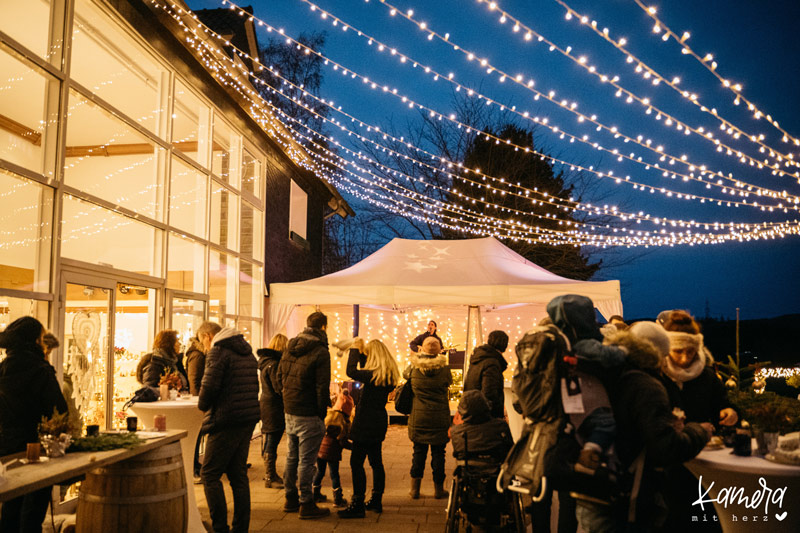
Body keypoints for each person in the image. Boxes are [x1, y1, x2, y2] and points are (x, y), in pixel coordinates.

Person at [0, 317, 69, 533]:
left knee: (11, 507)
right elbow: (59, 411)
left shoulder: (2, 369)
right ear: (35, 341)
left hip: (7, 446)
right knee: (33, 511)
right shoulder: (40, 370)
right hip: (36, 448)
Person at [197, 321, 260, 533]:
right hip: (246, 418)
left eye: (202, 343)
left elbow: (209, 386)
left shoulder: (218, 352)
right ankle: (240, 528)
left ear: (207, 336)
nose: (204, 348)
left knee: (210, 474)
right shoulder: (246, 352)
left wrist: (202, 405)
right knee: (238, 475)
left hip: (225, 419)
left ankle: (220, 528)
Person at [338, 338, 401, 518]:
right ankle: (376, 500)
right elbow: (367, 368)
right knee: (376, 462)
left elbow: (350, 371)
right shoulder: (387, 375)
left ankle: (357, 503)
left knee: (356, 462)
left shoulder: (371, 375)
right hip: (378, 420)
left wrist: (355, 349)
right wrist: (365, 353)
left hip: (365, 420)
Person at [278, 311, 332, 519]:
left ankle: (290, 497)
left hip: (290, 408)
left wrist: (286, 398)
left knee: (292, 455)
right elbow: (321, 386)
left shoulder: (290, 346)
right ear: (323, 327)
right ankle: (306, 502)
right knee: (307, 461)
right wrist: (321, 413)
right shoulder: (320, 351)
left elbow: (280, 376)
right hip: (309, 411)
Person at [660, 310, 737, 427]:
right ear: (666, 349)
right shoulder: (657, 376)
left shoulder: (707, 376)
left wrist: (730, 412)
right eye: (678, 351)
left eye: (690, 352)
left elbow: (722, 404)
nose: (684, 358)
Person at [404, 335, 452, 500]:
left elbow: (405, 375)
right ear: (439, 350)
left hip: (419, 417)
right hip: (439, 418)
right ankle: (439, 490)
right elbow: (449, 381)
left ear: (422, 348)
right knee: (439, 454)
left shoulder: (414, 367)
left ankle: (414, 490)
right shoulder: (444, 368)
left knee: (418, 452)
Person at [257, 334, 288, 489]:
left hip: (266, 403)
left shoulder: (265, 363)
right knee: (272, 439)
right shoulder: (274, 364)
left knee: (270, 437)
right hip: (274, 406)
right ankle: (270, 475)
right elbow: (279, 388)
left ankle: (270, 474)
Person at [313, 389, 353, 507]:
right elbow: (343, 442)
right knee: (334, 474)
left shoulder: (327, 418)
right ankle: (337, 499)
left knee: (319, 472)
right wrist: (354, 447)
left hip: (320, 451)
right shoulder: (343, 424)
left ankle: (315, 494)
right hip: (332, 454)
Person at [451, 390, 513, 463]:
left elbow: (457, 454)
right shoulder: (500, 426)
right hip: (496, 471)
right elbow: (510, 450)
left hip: (468, 471)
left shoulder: (456, 432)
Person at [463, 330, 508, 419]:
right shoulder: (492, 363)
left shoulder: (478, 358)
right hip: (486, 417)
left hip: (472, 411)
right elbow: (489, 393)